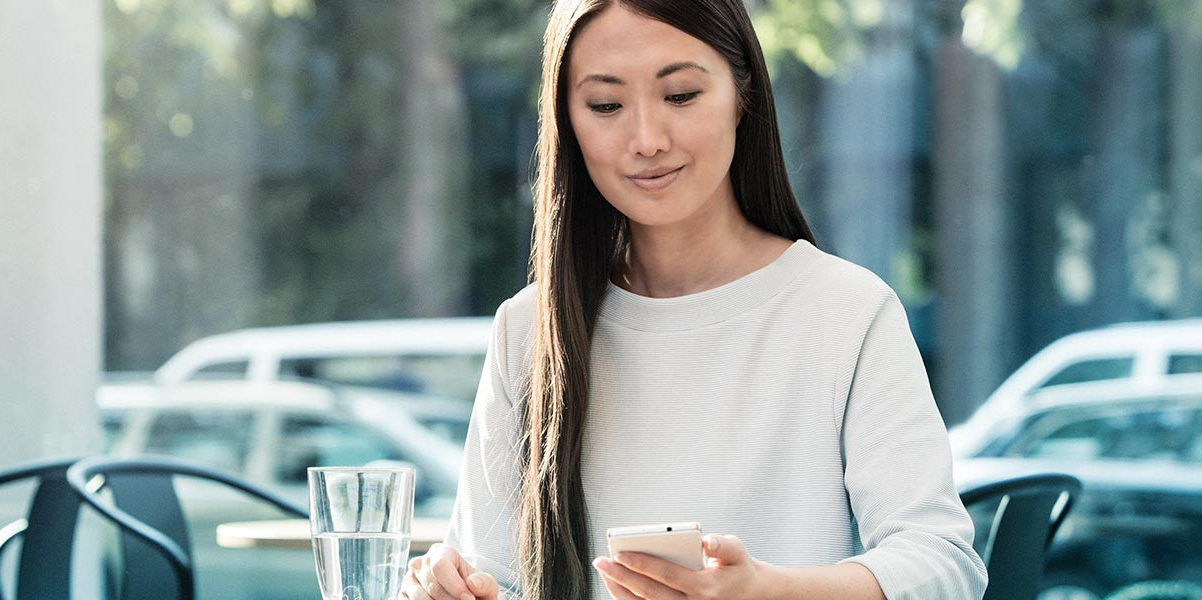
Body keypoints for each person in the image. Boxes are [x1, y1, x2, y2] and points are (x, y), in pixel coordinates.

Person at [402, 0, 987, 598]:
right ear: (568, 124)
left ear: (743, 95)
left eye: (680, 95)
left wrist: (764, 590)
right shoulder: (528, 330)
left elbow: (943, 565)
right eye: (605, 105)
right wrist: (444, 587)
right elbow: (489, 575)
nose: (647, 140)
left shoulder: (848, 312)